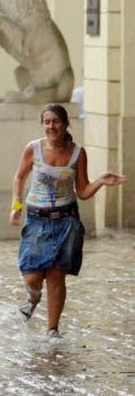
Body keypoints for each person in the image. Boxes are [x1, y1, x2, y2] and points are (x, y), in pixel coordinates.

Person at [9, 103, 125, 341]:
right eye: (47, 122)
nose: (51, 126)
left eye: (56, 121)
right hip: (37, 220)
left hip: (66, 221)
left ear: (65, 124)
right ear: (43, 124)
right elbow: (20, 176)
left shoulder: (77, 153)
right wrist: (16, 206)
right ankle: (32, 299)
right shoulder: (33, 149)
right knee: (32, 277)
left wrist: (101, 181)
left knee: (56, 276)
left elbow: (82, 191)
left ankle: (52, 330)